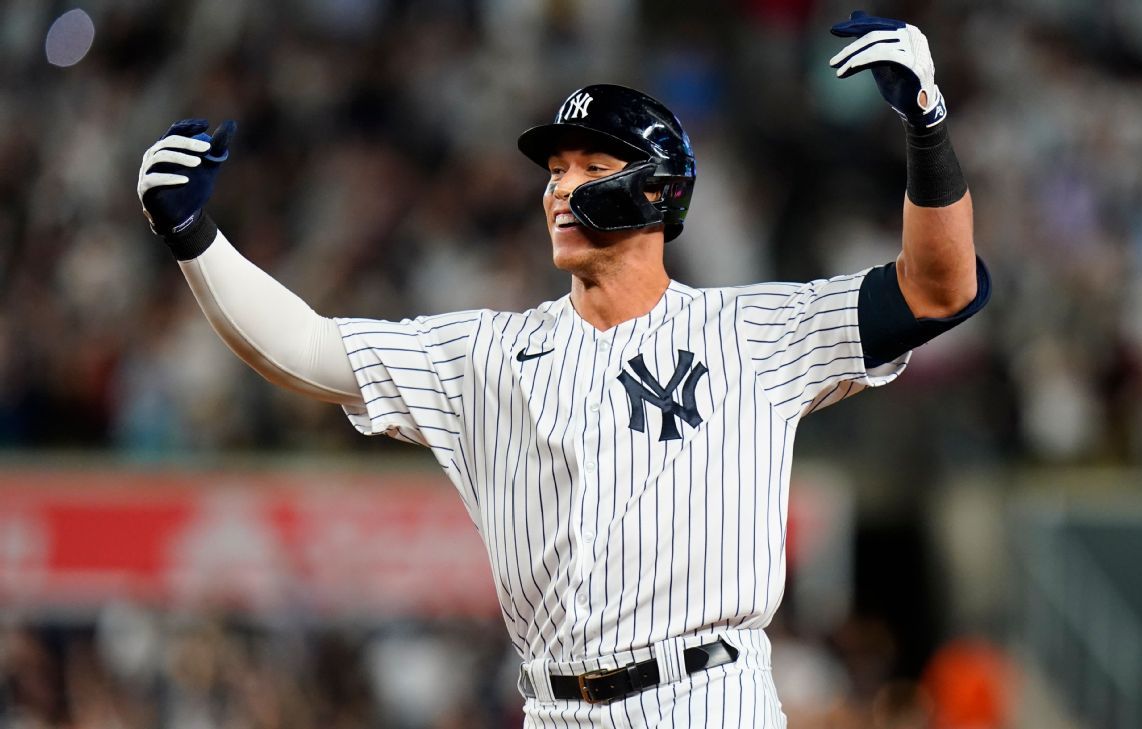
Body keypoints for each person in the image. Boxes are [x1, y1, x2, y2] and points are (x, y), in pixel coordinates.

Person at [135, 11, 989, 727]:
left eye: (591, 167)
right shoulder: (486, 353)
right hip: (552, 708)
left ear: (659, 193)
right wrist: (194, 239)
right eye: (554, 169)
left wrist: (928, 126)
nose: (559, 188)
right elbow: (309, 349)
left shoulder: (751, 331)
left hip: (706, 698)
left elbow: (938, 288)